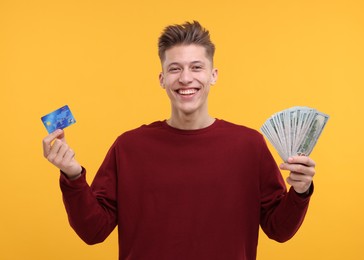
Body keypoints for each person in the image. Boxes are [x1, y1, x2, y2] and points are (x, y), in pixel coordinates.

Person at [43, 21, 316, 260]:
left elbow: (279, 230)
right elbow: (94, 231)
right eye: (175, 69)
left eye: (196, 67)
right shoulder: (129, 147)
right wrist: (73, 176)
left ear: (213, 75)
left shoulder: (249, 145)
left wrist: (301, 192)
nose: (186, 78)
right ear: (162, 79)